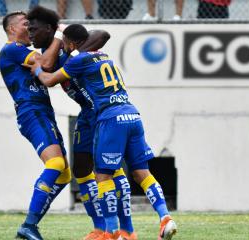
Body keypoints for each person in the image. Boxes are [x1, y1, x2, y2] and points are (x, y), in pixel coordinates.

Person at [28, 24, 177, 240]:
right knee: (141, 172)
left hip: (108, 117)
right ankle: (164, 217)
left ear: (70, 44)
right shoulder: (103, 55)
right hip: (131, 113)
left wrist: (39, 69)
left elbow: (49, 79)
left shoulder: (77, 60)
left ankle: (112, 232)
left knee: (104, 175)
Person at [26, 6, 136, 240]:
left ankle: (124, 229)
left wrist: (72, 51)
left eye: (34, 30)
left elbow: (103, 34)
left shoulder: (68, 43)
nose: (30, 35)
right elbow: (45, 64)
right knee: (81, 169)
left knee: (109, 168)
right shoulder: (46, 51)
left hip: (104, 112)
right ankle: (99, 229)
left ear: (49, 29)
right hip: (87, 114)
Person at [0, 11, 71, 240]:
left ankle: (31, 224)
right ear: (12, 29)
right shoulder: (12, 49)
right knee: (56, 162)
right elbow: (46, 64)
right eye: (25, 24)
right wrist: (59, 33)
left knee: (64, 174)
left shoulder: (26, 52)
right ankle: (29, 224)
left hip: (43, 112)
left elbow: (45, 71)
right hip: (32, 111)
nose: (29, 28)